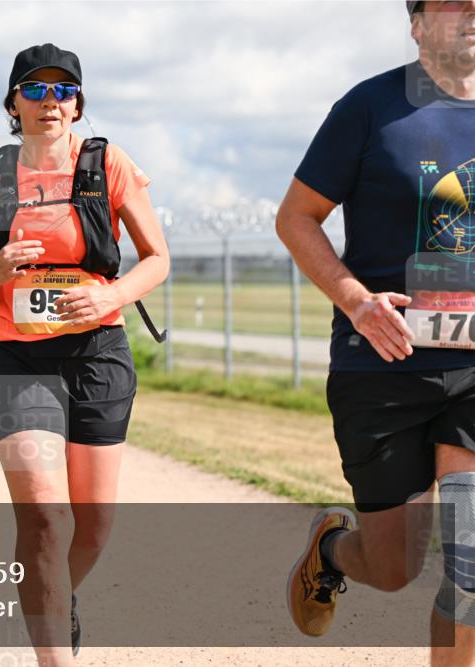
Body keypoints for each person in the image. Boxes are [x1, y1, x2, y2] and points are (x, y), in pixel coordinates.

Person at [0, 44, 169, 666]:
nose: (50, 102)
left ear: (78, 103)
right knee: (45, 517)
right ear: (13, 103)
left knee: (92, 525)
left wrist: (110, 299)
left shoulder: (108, 163)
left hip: (99, 352)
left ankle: (53, 596)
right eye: (35, 89)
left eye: (63, 90)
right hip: (18, 360)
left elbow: (158, 259)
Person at [277, 3, 474, 665]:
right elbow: (297, 218)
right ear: (417, 23)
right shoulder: (369, 107)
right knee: (391, 566)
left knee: (472, 569)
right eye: (456, 2)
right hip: (381, 364)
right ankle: (332, 546)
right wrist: (356, 300)